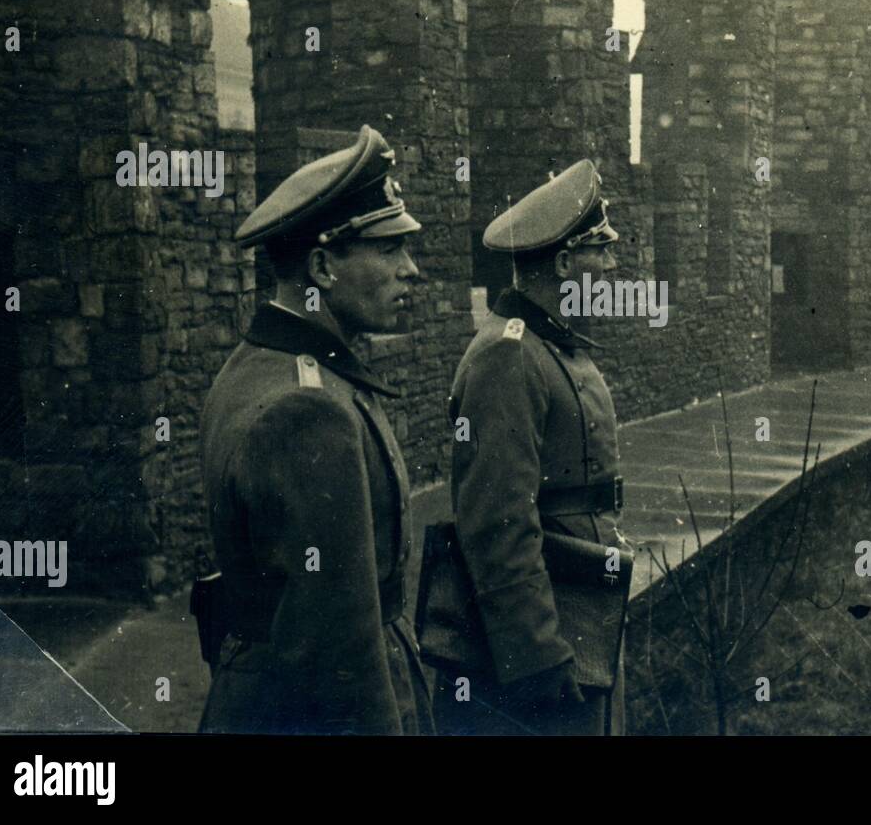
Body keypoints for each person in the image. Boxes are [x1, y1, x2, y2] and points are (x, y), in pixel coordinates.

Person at [196, 125, 432, 734]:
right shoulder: (310, 410)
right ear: (323, 267)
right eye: (389, 250)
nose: (413, 272)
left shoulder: (253, 367)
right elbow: (339, 650)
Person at [432, 159, 628, 735]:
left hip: (577, 607)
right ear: (565, 264)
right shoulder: (509, 355)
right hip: (541, 638)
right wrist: (536, 650)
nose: (612, 266)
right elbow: (497, 520)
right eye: (600, 251)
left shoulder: (549, 344)